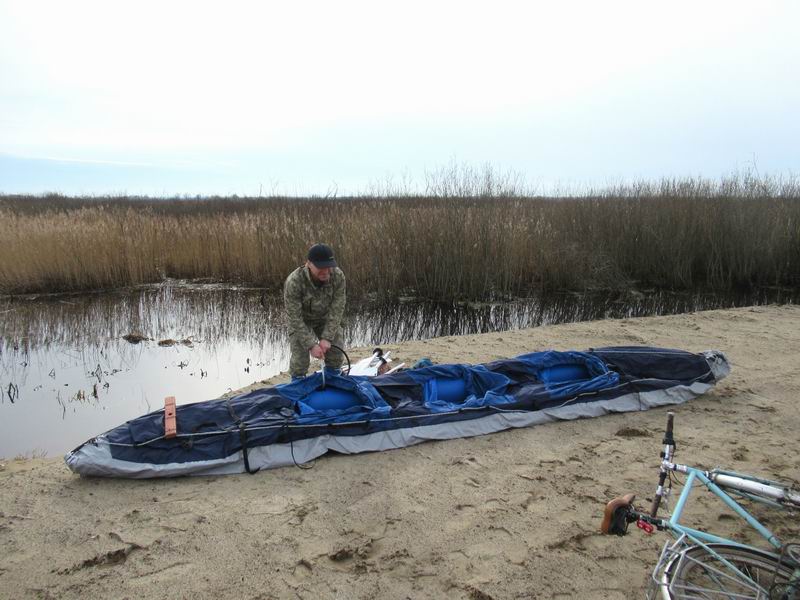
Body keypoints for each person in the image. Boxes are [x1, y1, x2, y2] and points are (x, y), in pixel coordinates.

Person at [283, 243, 346, 379]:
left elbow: (337, 309)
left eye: (328, 266)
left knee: (335, 351)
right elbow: (295, 318)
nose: (325, 271)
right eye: (320, 267)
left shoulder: (338, 276)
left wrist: (327, 338)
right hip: (302, 321)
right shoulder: (294, 282)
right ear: (308, 264)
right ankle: (298, 383)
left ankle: (333, 378)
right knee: (300, 360)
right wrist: (311, 345)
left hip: (325, 318)